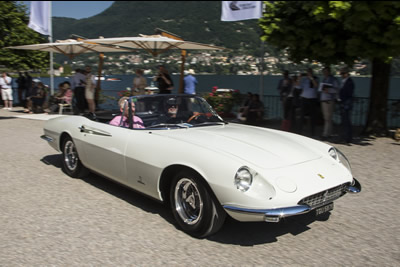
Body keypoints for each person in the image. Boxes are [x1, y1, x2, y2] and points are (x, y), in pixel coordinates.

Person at [319, 67, 339, 140]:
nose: (325, 73)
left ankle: (325, 134)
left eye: (326, 72)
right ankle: (329, 133)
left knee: (328, 118)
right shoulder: (324, 79)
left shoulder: (333, 80)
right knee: (326, 118)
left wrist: (329, 90)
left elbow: (336, 89)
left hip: (329, 100)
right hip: (324, 100)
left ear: (329, 72)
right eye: (324, 72)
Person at [299, 68, 319, 137]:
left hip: (312, 99)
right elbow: (298, 86)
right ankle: (300, 131)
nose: (308, 74)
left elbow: (316, 86)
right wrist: (300, 77)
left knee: (312, 116)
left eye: (310, 72)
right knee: (302, 116)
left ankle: (312, 132)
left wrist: (311, 78)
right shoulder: (304, 80)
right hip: (304, 98)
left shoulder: (315, 78)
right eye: (307, 72)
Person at [338, 67, 355, 144]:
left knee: (347, 121)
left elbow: (349, 94)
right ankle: (344, 137)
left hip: (346, 104)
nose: (341, 75)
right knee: (344, 121)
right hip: (344, 103)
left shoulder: (349, 82)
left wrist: (343, 101)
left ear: (347, 73)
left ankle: (348, 138)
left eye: (343, 73)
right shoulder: (344, 81)